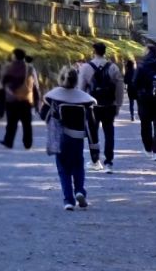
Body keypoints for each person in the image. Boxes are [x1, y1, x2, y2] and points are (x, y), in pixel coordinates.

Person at [40, 66, 97, 211]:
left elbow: (43, 115)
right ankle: (79, 191)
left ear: (61, 78)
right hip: (77, 138)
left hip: (60, 138)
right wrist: (94, 149)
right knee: (78, 165)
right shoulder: (84, 100)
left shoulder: (53, 97)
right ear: (76, 80)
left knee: (63, 169)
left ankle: (68, 200)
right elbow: (91, 124)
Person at [79, 43, 121, 171]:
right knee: (109, 133)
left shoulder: (86, 67)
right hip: (109, 105)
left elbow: (81, 89)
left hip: (92, 106)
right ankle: (109, 162)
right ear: (105, 52)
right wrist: (117, 105)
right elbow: (119, 88)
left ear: (94, 52)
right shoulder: (113, 67)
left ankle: (95, 160)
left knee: (92, 133)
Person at [133, 44, 156, 161]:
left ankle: (148, 147)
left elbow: (135, 82)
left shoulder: (142, 65)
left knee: (145, 124)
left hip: (144, 99)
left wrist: (138, 94)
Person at [0, 49, 39, 150]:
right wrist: (36, 99)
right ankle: (28, 143)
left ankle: (8, 141)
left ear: (14, 56)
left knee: (11, 123)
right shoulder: (29, 68)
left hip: (12, 99)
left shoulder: (9, 67)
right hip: (26, 99)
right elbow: (34, 84)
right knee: (27, 123)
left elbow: (3, 82)